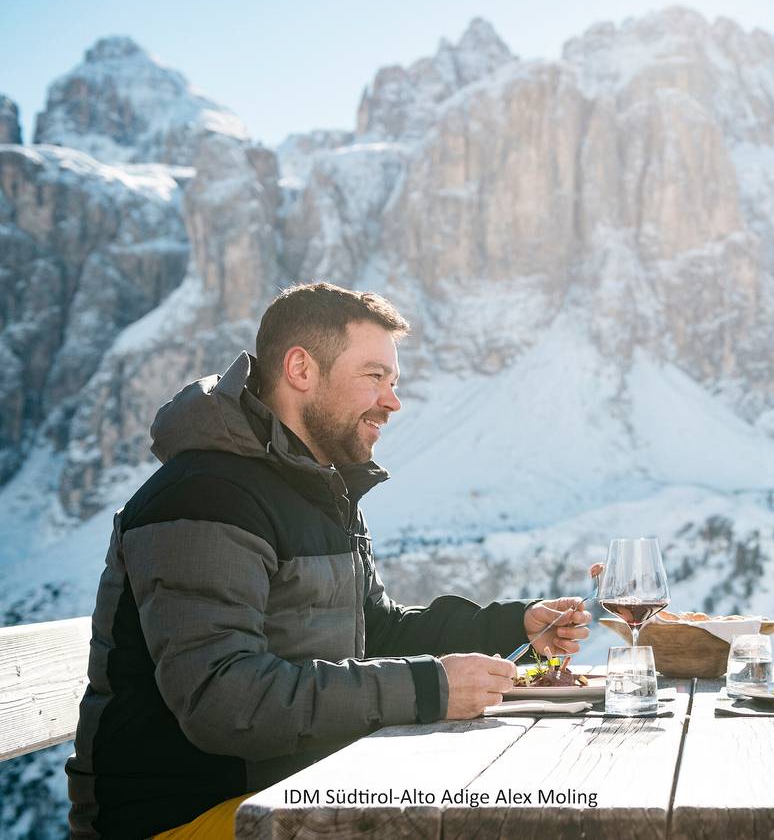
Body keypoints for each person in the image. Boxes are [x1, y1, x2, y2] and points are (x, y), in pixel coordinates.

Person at [67, 283, 594, 839]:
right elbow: (223, 700)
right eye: (374, 377)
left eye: (394, 382)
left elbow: (379, 632)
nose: (393, 402)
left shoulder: (320, 490)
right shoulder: (205, 496)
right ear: (301, 369)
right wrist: (430, 687)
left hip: (297, 791)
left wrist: (512, 625)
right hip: (186, 817)